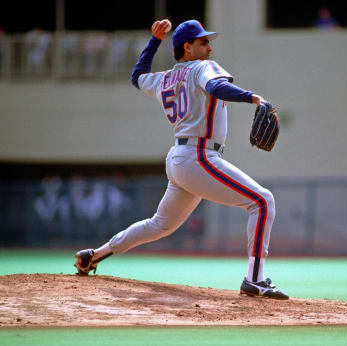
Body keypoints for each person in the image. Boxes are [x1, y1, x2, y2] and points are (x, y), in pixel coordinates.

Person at [74, 19, 288, 300]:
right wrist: (253, 98)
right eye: (202, 42)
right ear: (187, 48)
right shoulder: (202, 67)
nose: (209, 47)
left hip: (179, 158)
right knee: (262, 201)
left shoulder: (165, 78)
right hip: (200, 156)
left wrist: (153, 41)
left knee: (159, 225)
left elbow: (137, 76)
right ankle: (255, 279)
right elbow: (215, 88)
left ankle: (95, 255)